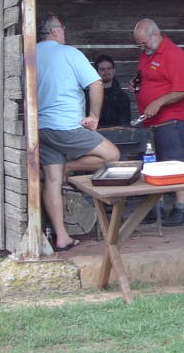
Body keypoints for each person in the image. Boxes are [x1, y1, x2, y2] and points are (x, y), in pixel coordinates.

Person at [36, 13, 121, 251]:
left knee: (52, 179)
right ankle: (69, 168)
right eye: (62, 28)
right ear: (55, 31)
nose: (64, 32)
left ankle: (62, 236)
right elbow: (95, 83)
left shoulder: (28, 54)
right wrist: (94, 117)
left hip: (41, 128)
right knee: (112, 155)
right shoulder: (70, 53)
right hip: (66, 126)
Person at [131, 18, 184, 227]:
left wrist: (158, 101)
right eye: (138, 44)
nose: (141, 47)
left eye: (143, 43)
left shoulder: (174, 54)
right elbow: (147, 78)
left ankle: (181, 208)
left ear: (154, 35)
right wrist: (137, 86)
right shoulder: (146, 55)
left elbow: (182, 90)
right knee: (153, 165)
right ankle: (156, 208)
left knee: (175, 163)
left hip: (172, 119)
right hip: (151, 122)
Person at [85, 54, 131, 127]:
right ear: (96, 72)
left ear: (113, 70)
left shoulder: (122, 96)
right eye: (102, 69)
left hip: (117, 134)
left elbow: (125, 123)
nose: (106, 72)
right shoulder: (88, 95)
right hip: (94, 134)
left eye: (109, 68)